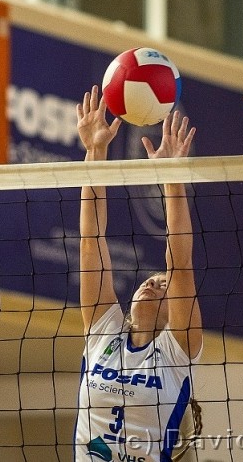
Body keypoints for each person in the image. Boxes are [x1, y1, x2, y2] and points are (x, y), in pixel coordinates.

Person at [74, 86, 202, 461]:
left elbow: (180, 263)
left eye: (162, 285)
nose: (152, 283)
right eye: (150, 280)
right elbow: (90, 241)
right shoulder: (105, 331)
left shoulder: (177, 351)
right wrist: (95, 152)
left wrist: (172, 179)